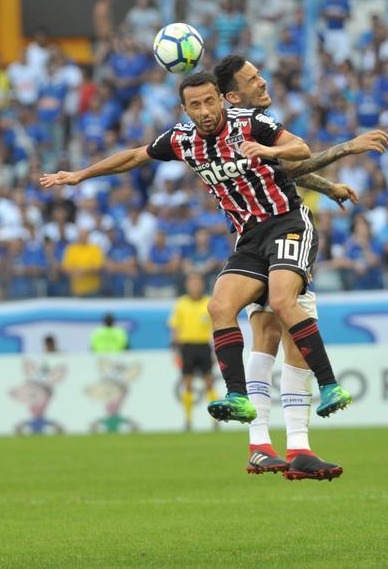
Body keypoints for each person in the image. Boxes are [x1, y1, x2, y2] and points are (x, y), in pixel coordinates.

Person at [40, 72, 353, 428]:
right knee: (219, 306)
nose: (204, 111)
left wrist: (269, 150)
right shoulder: (182, 139)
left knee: (282, 300)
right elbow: (134, 157)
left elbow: (300, 149)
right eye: (195, 105)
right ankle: (238, 396)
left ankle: (329, 385)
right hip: (249, 237)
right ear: (184, 109)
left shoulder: (250, 122)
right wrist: (81, 175)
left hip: (287, 221)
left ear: (220, 98)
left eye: (209, 101)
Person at [214, 54, 388, 479]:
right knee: (289, 329)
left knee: (268, 332)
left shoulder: (235, 128)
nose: (263, 81)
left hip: (252, 238)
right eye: (253, 78)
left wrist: (326, 187)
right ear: (233, 95)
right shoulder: (245, 125)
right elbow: (292, 161)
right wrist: (347, 147)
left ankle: (273, 446)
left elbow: (280, 169)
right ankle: (287, 443)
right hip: (280, 230)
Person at [167, 273, 218, 431]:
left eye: (197, 282)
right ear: (187, 285)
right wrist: (176, 349)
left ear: (202, 284)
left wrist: (216, 349)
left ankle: (215, 419)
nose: (195, 286)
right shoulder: (181, 304)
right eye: (192, 283)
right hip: (187, 346)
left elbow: (216, 326)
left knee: (209, 383)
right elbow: (175, 327)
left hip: (204, 346)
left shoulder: (209, 302)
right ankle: (188, 420)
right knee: (188, 384)